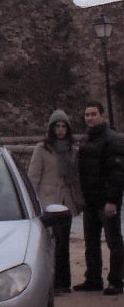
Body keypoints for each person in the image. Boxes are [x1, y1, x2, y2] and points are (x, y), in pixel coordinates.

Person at [28, 109, 83, 294]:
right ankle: (48, 282)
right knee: (49, 243)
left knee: (63, 243)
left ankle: (63, 282)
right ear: (51, 128)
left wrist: (77, 200)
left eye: (63, 126)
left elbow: (75, 177)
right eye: (57, 126)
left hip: (65, 202)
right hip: (47, 202)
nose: (60, 130)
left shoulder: (71, 149)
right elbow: (33, 177)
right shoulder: (42, 148)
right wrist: (33, 203)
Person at [74, 100, 124, 295]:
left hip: (106, 201)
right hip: (90, 200)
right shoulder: (85, 140)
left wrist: (112, 200)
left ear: (102, 115)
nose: (90, 118)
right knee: (91, 242)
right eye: (87, 115)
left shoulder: (113, 140)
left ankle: (116, 281)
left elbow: (117, 173)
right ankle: (93, 279)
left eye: (93, 114)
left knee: (113, 241)